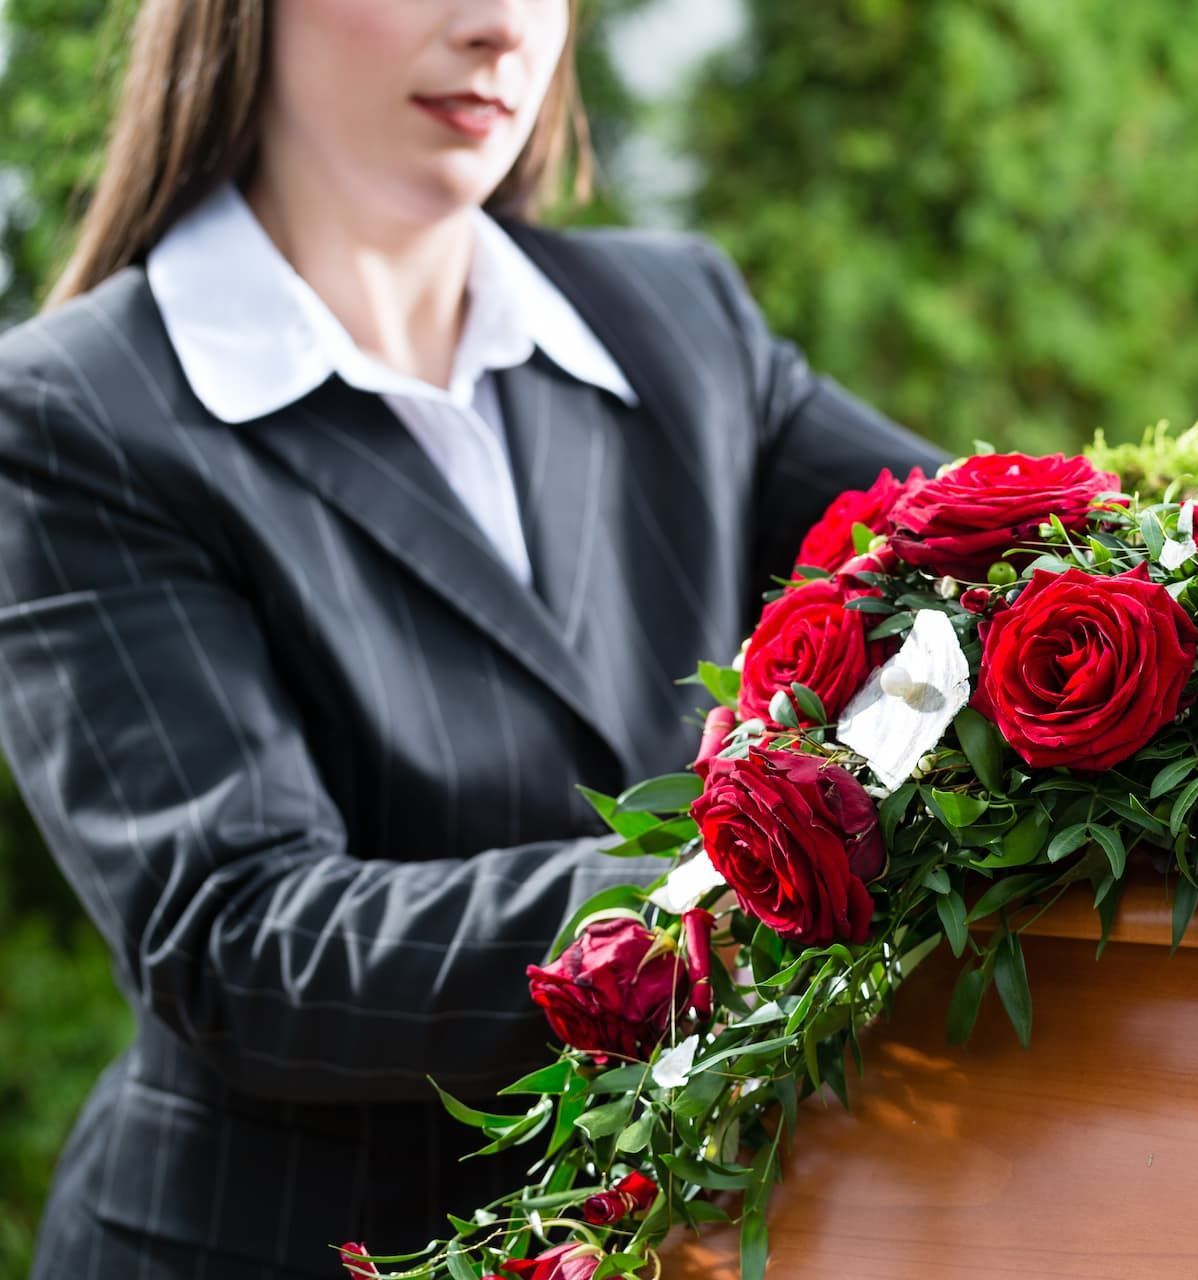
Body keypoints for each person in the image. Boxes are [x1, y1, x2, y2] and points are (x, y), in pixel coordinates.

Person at [0, 2, 946, 1276]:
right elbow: (240, 938)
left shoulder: (678, 317)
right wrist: (742, 873)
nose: (501, 27)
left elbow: (999, 566)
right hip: (274, 1244)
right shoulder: (73, 416)